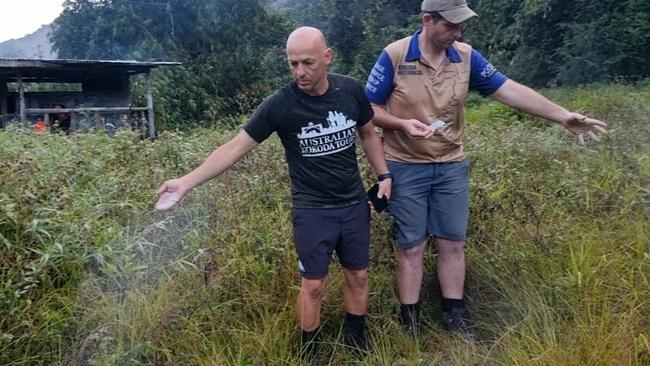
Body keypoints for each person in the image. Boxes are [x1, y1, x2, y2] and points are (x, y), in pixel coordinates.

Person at [365, 0, 608, 340]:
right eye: (450, 25)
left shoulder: (465, 56)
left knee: (453, 242)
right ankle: (411, 321)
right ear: (428, 20)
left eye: (461, 25)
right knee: (410, 246)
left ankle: (455, 315)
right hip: (405, 166)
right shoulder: (394, 55)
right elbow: (369, 108)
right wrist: (402, 124)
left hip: (450, 165)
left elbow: (508, 90)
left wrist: (562, 116)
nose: (458, 31)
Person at [155, 27, 392, 358]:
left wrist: (384, 174)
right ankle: (310, 351)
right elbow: (235, 148)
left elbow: (368, 133)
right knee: (313, 285)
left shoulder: (350, 90)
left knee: (359, 276)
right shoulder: (280, 105)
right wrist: (186, 181)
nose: (300, 72)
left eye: (308, 62)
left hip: (353, 204)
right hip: (312, 210)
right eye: (292, 63)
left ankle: (356, 341)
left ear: (327, 56)